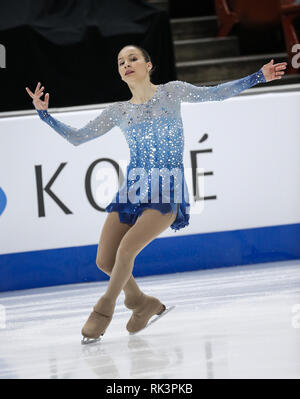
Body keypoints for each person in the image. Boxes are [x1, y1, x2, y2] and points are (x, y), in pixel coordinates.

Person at [25, 45, 287, 344]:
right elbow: (77, 137)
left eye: (133, 58)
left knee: (125, 252)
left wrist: (257, 77)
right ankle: (140, 303)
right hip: (132, 190)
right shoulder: (118, 111)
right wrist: (45, 116)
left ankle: (103, 310)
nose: (126, 64)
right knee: (105, 260)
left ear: (149, 65)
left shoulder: (172, 92)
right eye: (121, 61)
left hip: (167, 189)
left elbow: (214, 93)